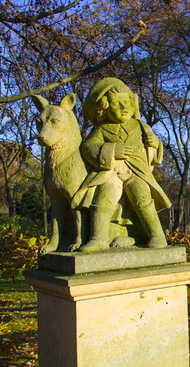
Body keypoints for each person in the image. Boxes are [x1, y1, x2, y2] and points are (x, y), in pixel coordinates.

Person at [72, 78, 171, 251]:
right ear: (104, 108)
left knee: (143, 198)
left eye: (126, 102)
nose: (123, 107)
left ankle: (157, 236)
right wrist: (112, 150)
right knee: (103, 199)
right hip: (111, 172)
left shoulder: (141, 125)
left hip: (137, 172)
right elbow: (89, 148)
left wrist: (154, 143)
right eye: (117, 103)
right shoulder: (102, 129)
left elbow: (154, 154)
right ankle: (98, 238)